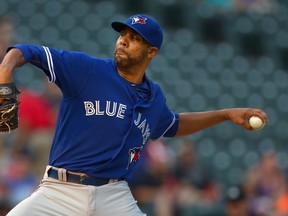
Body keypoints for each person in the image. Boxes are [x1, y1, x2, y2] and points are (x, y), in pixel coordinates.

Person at [0, 14, 268, 216]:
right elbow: (28, 51)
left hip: (113, 194)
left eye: (135, 38)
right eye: (123, 34)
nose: (124, 40)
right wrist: (6, 69)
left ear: (151, 52)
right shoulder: (87, 70)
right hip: (60, 190)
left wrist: (224, 114)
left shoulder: (154, 97)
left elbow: (172, 124)